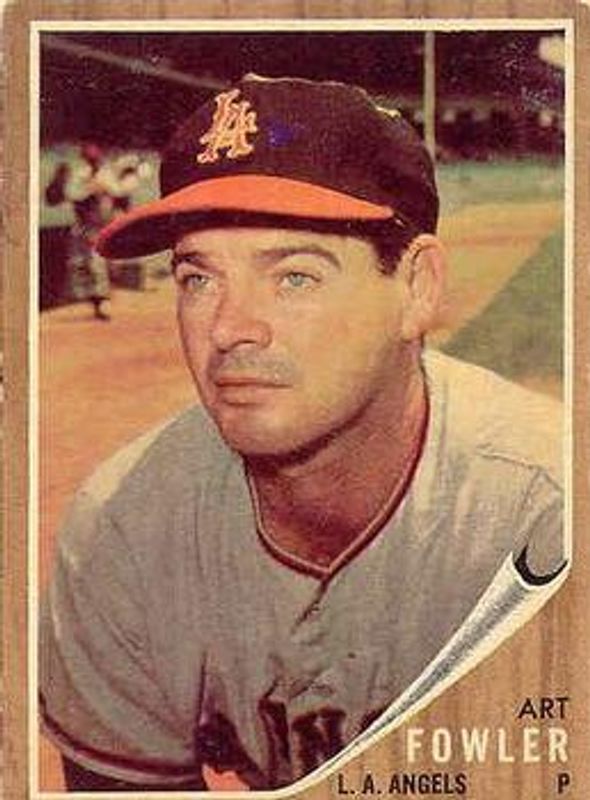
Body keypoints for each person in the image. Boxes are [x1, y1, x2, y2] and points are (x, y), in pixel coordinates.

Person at [39, 75, 566, 792]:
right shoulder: (123, 532)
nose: (229, 328)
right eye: (198, 279)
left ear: (416, 288)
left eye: (294, 277)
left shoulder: (549, 518)